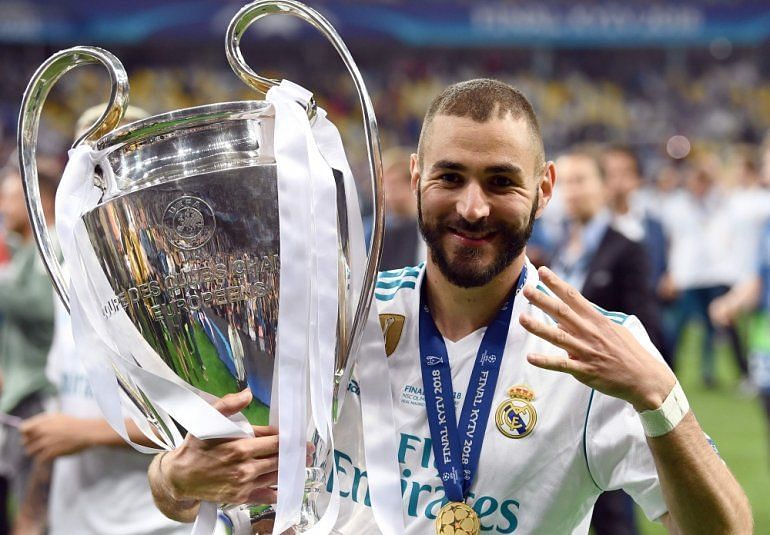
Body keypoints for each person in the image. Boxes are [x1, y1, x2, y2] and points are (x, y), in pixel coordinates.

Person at [148, 79, 752, 534]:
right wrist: (175, 481)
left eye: (500, 181)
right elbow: (208, 488)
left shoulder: (598, 349)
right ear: (415, 178)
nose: (472, 208)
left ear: (544, 189)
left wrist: (657, 394)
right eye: (451, 177)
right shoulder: (336, 323)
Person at [18, 104, 192, 535]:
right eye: (83, 166)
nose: (96, 182)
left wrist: (88, 433)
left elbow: (214, 419)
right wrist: (32, 514)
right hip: (71, 521)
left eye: (111, 163)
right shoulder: (70, 275)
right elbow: (67, 399)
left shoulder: (185, 281)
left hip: (154, 524)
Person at [552, 148, 665, 535]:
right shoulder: (561, 248)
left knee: (613, 512)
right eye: (565, 182)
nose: (573, 191)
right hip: (558, 402)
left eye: (582, 180)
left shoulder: (627, 248)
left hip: (606, 405)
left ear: (604, 186)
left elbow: (646, 328)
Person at [0, 157, 58, 533]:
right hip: (20, 389)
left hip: (40, 392)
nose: (3, 207)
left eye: (10, 197)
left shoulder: (51, 248)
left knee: (31, 507)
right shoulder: (29, 247)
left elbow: (44, 311)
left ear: (39, 200)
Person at [380, 146, 425, 271]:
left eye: (393, 185)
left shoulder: (432, 228)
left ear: (413, 182)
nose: (387, 194)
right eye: (385, 187)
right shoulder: (383, 233)